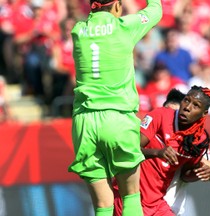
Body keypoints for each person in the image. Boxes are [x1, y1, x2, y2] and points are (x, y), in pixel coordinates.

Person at [67, 0, 162, 215]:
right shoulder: (125, 27)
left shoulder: (78, 31)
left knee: (102, 205)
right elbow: (155, 11)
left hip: (85, 122)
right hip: (118, 119)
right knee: (130, 198)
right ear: (117, 6)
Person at [114, 85, 210, 216]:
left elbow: (185, 175)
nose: (187, 107)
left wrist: (198, 173)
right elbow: (130, 151)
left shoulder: (199, 140)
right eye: (186, 100)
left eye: (196, 105)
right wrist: (157, 153)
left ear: (204, 113)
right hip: (130, 196)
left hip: (156, 203)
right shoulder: (160, 115)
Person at [162, 88, 210, 216]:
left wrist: (192, 159)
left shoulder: (193, 145)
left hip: (171, 208)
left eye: (175, 113)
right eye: (167, 112)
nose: (170, 118)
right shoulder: (151, 136)